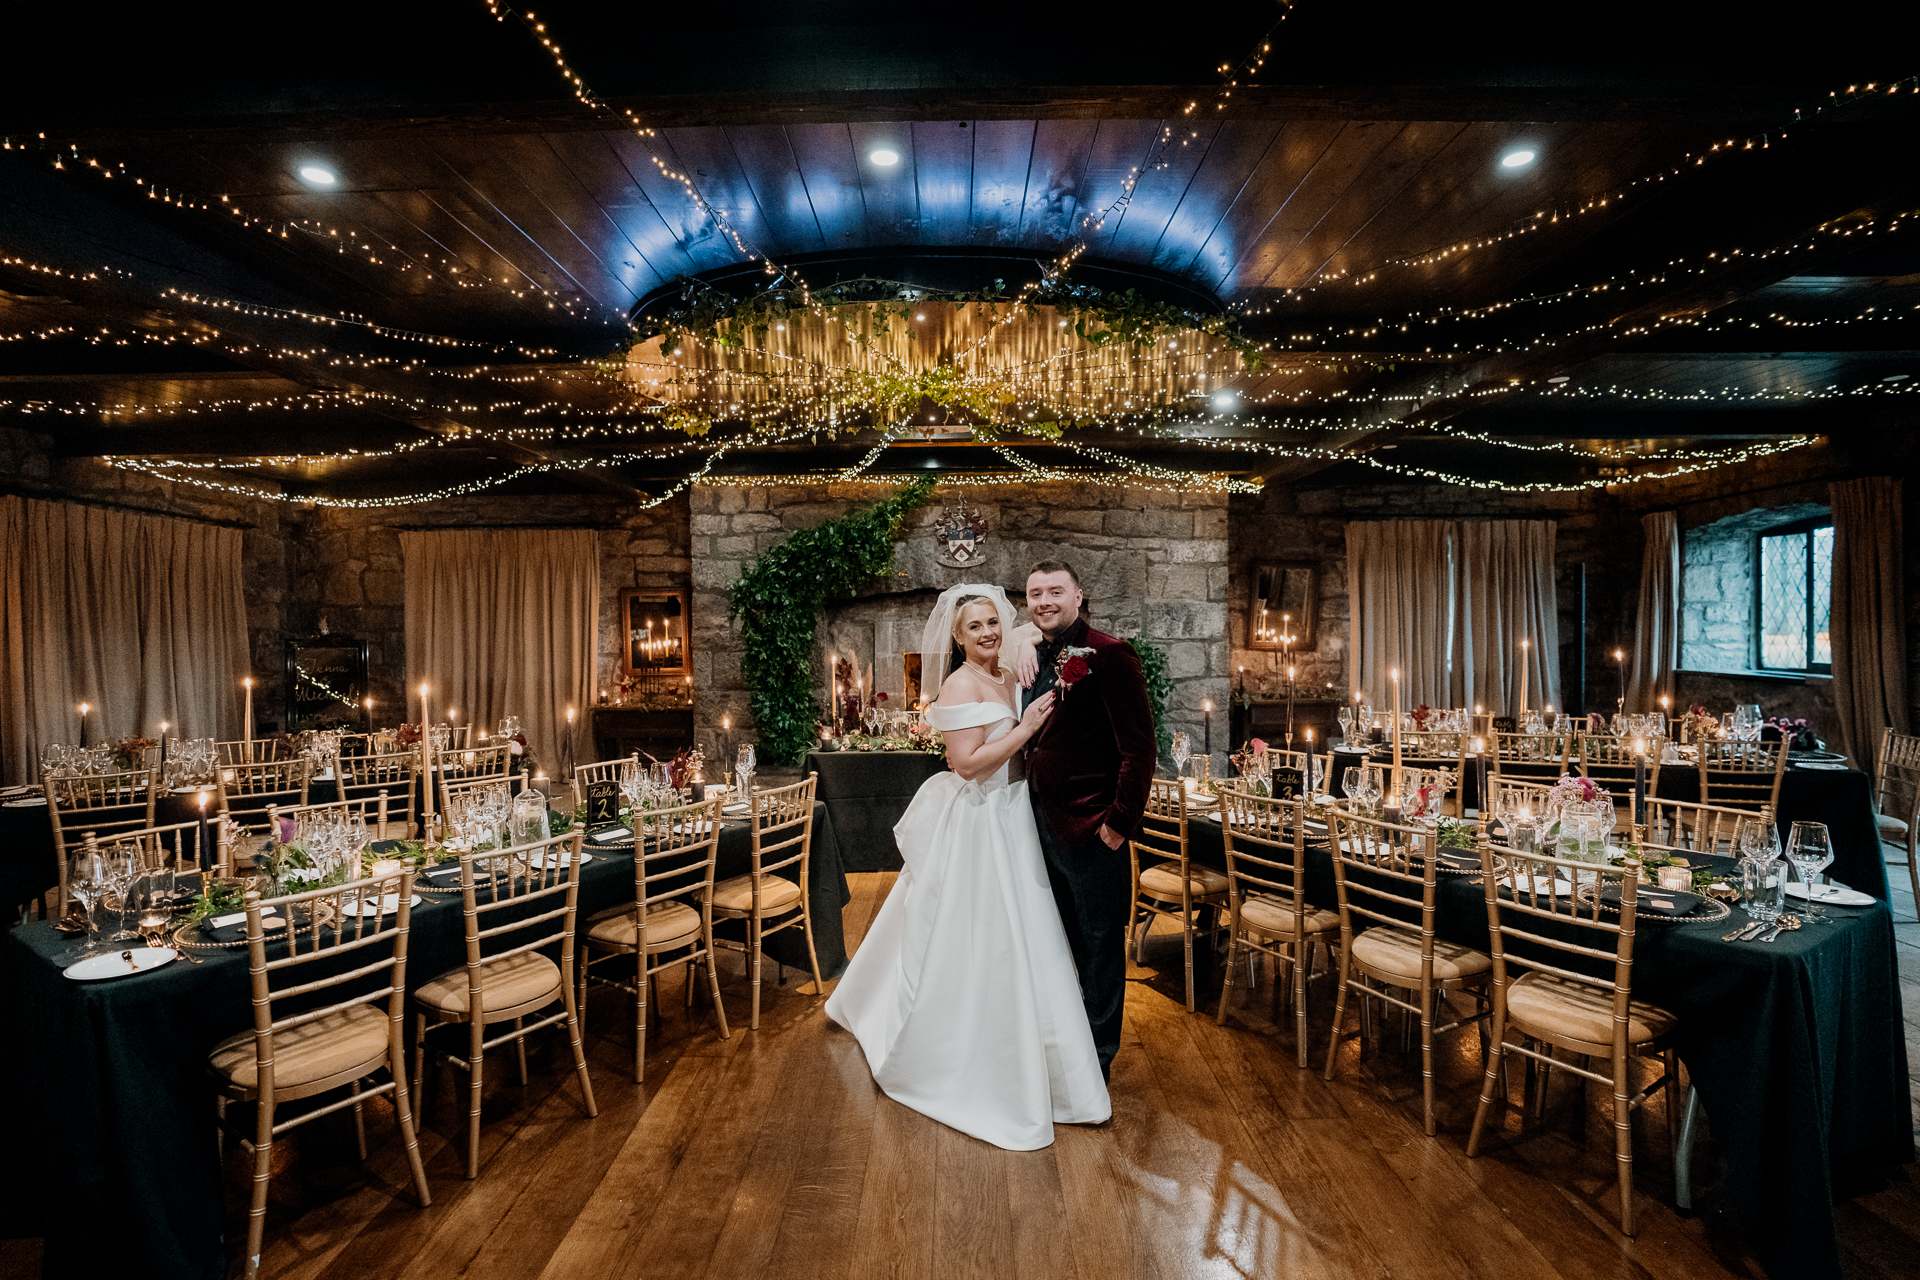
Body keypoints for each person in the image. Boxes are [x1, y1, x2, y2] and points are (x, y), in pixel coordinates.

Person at [825, 583, 1112, 1150]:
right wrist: (1026, 729)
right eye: (974, 627)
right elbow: (965, 766)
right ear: (956, 638)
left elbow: (1036, 633)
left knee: (1031, 935)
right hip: (983, 819)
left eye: (992, 623)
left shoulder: (1010, 673)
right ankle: (970, 1052)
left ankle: (1045, 1057)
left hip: (1018, 816)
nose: (987, 633)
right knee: (982, 936)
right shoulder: (958, 684)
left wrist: (1029, 633)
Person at [1020, 560, 1158, 1080]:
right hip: (1042, 828)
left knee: (1100, 948)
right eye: (1035, 594)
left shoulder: (1111, 654)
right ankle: (1068, 1046)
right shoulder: (1039, 653)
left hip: (1093, 830)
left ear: (1079, 596)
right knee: (1062, 943)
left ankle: (1097, 1063)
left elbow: (1139, 750)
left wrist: (1117, 825)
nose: (1045, 601)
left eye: (1055, 591)